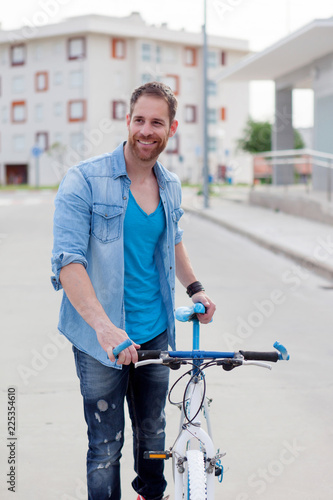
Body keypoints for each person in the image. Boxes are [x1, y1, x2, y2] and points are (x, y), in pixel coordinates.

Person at [51, 81, 216, 500]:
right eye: (139, 120)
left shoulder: (171, 186)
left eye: (156, 122)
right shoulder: (84, 180)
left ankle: (150, 494)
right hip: (100, 341)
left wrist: (195, 288)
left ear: (171, 129)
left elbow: (172, 240)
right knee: (106, 447)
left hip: (156, 331)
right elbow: (68, 261)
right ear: (127, 121)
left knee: (154, 438)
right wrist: (106, 329)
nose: (146, 130)